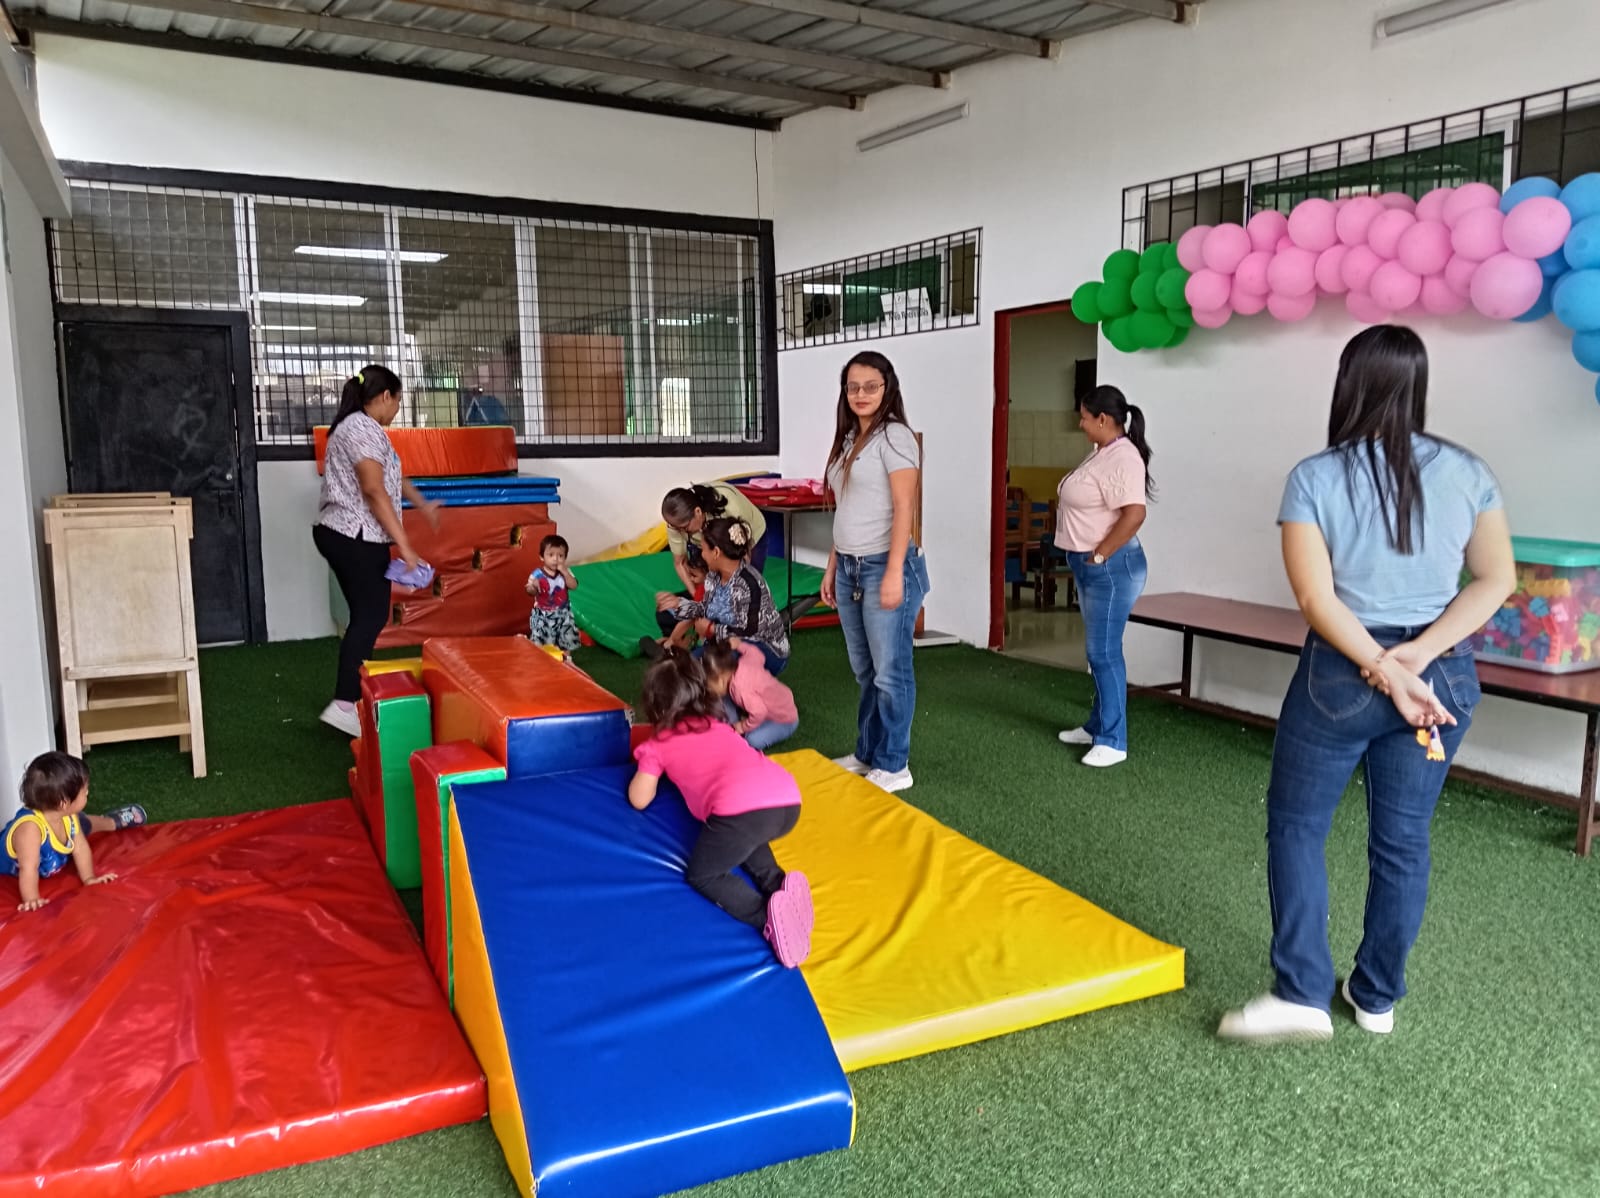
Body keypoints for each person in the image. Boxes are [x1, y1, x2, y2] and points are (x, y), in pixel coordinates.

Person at [1218, 326, 1515, 1045]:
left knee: (1298, 826)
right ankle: (1376, 997)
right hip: (1440, 675)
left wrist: (1385, 667)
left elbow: (1316, 600)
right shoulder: (1469, 471)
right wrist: (1418, 659)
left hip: (1342, 674)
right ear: (1418, 385)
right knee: (1403, 840)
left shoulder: (1314, 477)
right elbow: (1497, 579)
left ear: (1348, 383)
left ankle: (1301, 993)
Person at [628, 650, 813, 967]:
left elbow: (639, 798)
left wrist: (647, 763)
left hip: (740, 811)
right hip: (787, 798)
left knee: (705, 874)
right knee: (748, 835)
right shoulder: (719, 725)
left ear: (656, 706)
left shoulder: (659, 744)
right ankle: (778, 884)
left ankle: (767, 917)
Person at [820, 350, 929, 795]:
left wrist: (894, 571)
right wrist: (832, 566)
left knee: (890, 672)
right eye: (853, 387)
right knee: (865, 671)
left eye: (870, 386)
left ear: (887, 388)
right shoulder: (851, 438)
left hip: (886, 564)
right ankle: (867, 752)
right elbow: (847, 509)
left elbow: (905, 507)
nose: (860, 394)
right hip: (850, 566)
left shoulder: (895, 436)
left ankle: (894, 764)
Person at [312, 365, 440, 737]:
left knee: (366, 616)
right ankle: (344, 704)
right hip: (355, 536)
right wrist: (406, 547)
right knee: (369, 618)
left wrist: (422, 503)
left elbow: (392, 475)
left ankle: (350, 700)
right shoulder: (362, 428)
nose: (397, 410)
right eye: (398, 402)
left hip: (344, 534)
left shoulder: (359, 427)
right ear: (386, 396)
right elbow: (373, 489)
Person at [1053, 385, 1155, 768]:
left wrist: (1099, 555)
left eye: (1083, 417)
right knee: (1099, 652)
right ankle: (1098, 725)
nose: (1080, 424)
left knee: (1103, 652)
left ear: (1102, 419)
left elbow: (1135, 514)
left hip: (1111, 568)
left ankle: (1113, 741)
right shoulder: (1102, 452)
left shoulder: (1123, 457)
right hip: (1092, 566)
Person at [4, 751, 146, 912]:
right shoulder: (30, 830)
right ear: (64, 803)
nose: (88, 793)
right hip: (22, 862)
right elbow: (28, 868)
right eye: (85, 791)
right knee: (81, 822)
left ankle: (111, 821)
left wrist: (89, 878)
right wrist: (32, 899)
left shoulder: (68, 816)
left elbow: (80, 847)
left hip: (63, 825)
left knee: (84, 823)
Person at [654, 518, 790, 674]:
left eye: (704, 550)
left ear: (716, 552)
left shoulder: (748, 583)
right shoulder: (713, 577)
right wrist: (678, 604)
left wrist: (711, 629)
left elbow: (749, 632)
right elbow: (705, 609)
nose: (702, 555)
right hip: (727, 643)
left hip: (765, 649)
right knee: (688, 669)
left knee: (718, 664)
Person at [654, 483, 769, 638]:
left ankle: (738, 638)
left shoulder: (729, 509)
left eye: (684, 528)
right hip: (710, 544)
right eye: (675, 528)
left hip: (744, 538)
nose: (679, 531)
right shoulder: (678, 525)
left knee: (740, 598)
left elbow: (743, 557)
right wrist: (697, 597)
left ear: (698, 512)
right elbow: (680, 562)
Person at [703, 637, 800, 752]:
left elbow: (759, 712)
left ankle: (763, 728)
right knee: (733, 706)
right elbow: (756, 654)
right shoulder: (744, 662)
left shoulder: (740, 690)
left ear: (721, 679)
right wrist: (740, 645)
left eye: (710, 688)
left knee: (752, 740)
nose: (710, 691)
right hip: (782, 702)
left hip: (784, 720)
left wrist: (742, 726)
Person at [527, 534, 581, 653]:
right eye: (551, 555)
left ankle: (566, 659)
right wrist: (533, 586)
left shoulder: (565, 572)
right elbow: (530, 591)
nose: (556, 559)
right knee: (541, 642)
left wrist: (565, 573)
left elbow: (574, 586)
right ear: (542, 557)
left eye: (560, 556)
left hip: (563, 613)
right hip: (543, 614)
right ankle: (541, 658)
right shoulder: (537, 574)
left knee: (565, 640)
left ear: (565, 558)